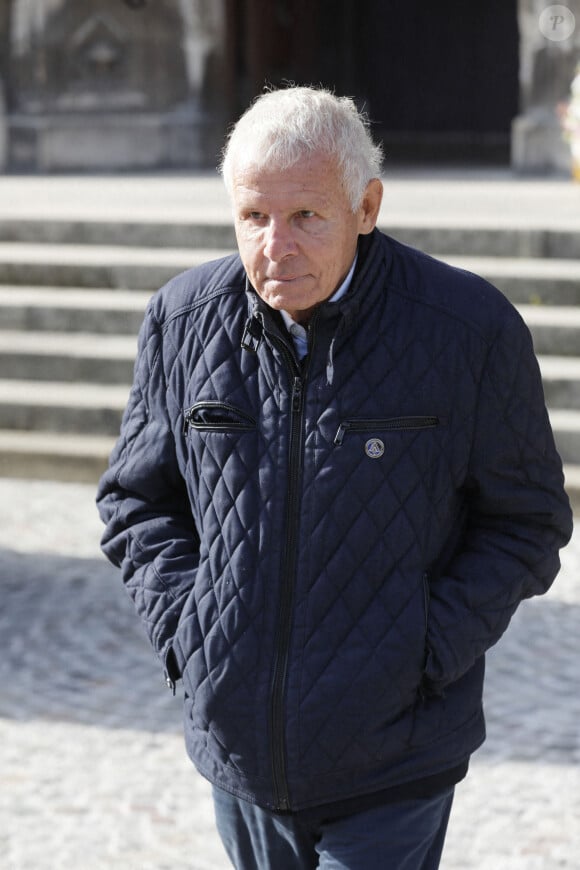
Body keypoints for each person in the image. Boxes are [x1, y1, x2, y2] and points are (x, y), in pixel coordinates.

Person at [97, 86, 573, 869]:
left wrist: (422, 649)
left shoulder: (470, 329)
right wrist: (192, 636)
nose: (275, 246)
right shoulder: (179, 321)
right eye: (253, 217)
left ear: (367, 205)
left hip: (395, 759)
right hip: (240, 757)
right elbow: (136, 500)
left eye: (306, 216)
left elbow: (526, 522)